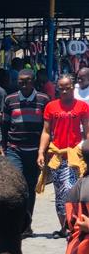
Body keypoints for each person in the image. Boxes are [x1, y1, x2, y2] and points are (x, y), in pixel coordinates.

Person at [38, 74, 89, 237]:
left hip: (75, 155)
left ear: (72, 87)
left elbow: (87, 131)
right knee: (59, 193)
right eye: (62, 88)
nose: (65, 91)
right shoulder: (51, 107)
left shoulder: (82, 107)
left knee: (70, 190)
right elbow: (46, 131)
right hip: (56, 155)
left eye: (68, 87)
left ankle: (73, 224)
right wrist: (41, 152)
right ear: (57, 88)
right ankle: (64, 227)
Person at [2, 67, 49, 228]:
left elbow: (46, 128)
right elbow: (5, 125)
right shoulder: (10, 100)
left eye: (26, 81)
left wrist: (44, 151)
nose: (23, 84)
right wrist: (3, 148)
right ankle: (15, 222)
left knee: (30, 186)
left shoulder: (43, 99)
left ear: (33, 81)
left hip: (35, 151)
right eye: (20, 82)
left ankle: (26, 224)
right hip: (14, 149)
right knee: (16, 184)